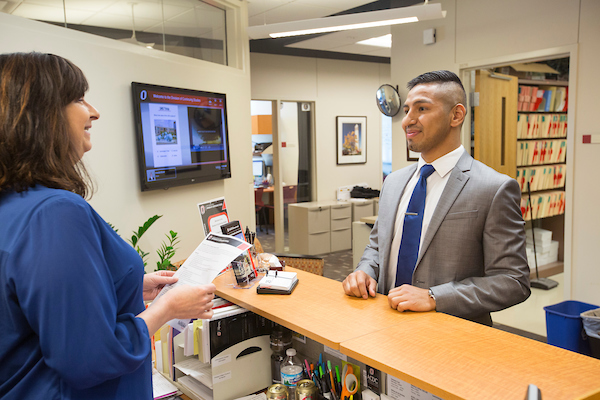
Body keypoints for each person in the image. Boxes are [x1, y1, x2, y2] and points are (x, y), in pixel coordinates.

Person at [0, 52, 216, 399]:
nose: (94, 112)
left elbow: (26, 310)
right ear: (41, 116)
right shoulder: (54, 212)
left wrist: (124, 286)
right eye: (78, 98)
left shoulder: (13, 205)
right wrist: (168, 308)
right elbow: (90, 358)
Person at [343, 70, 530, 326]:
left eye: (422, 109)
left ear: (456, 115)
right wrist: (365, 270)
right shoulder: (394, 183)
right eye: (407, 110)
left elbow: (512, 281)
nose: (408, 120)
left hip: (452, 338)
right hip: (384, 327)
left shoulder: (494, 188)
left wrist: (435, 297)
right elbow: (377, 246)